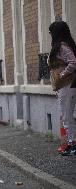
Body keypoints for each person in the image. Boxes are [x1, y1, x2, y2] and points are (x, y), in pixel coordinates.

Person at [48, 21, 76, 155]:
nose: (50, 35)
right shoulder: (66, 45)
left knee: (66, 116)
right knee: (68, 116)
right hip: (66, 85)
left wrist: (62, 75)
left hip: (67, 85)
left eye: (51, 32)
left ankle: (73, 145)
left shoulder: (61, 47)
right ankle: (72, 144)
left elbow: (73, 62)